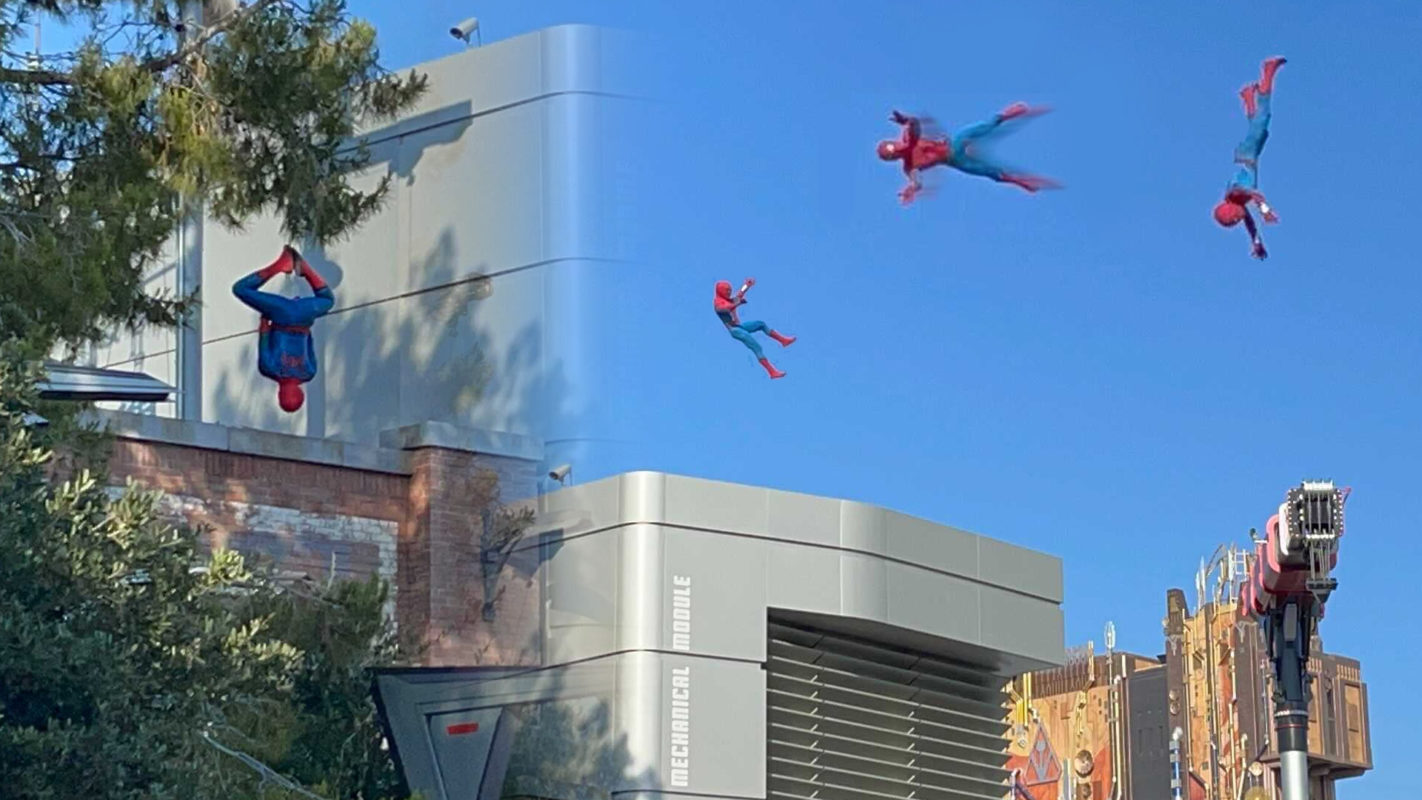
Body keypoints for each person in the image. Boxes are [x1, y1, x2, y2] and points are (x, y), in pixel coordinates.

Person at [877, 104, 1059, 205]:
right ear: (893, 159)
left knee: (982, 127)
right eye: (892, 155)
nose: (898, 150)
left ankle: (1003, 117)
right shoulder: (909, 165)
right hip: (954, 159)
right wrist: (912, 189)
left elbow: (915, 126)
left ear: (894, 142)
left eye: (894, 148)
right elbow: (916, 180)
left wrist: (907, 120)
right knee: (990, 172)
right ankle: (1018, 181)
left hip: (952, 145)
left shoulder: (909, 140)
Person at [232, 246, 335, 412]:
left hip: (304, 318)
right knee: (241, 290)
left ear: (301, 394)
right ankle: (280, 265)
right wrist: (266, 316)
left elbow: (309, 340)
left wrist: (305, 317)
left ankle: (306, 271)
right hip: (281, 315)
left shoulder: (309, 372)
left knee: (327, 300)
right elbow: (264, 338)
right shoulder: (269, 369)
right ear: (280, 394)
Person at [1213, 56, 1287, 260]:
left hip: (1247, 155)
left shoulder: (1235, 193)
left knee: (1263, 120)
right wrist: (1257, 243)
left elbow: (1255, 195)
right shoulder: (1239, 202)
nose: (1239, 219)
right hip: (1249, 155)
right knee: (1261, 130)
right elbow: (1250, 225)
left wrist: (1265, 211)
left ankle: (1268, 72)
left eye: (1234, 219)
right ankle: (1248, 97)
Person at [714, 278, 795, 379]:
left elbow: (739, 294)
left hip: (739, 326)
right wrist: (737, 303)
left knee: (760, 324)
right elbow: (723, 309)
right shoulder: (719, 302)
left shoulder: (727, 300)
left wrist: (746, 286)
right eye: (727, 291)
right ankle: (772, 372)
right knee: (757, 347)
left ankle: (783, 340)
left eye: (730, 290)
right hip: (735, 330)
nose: (729, 293)